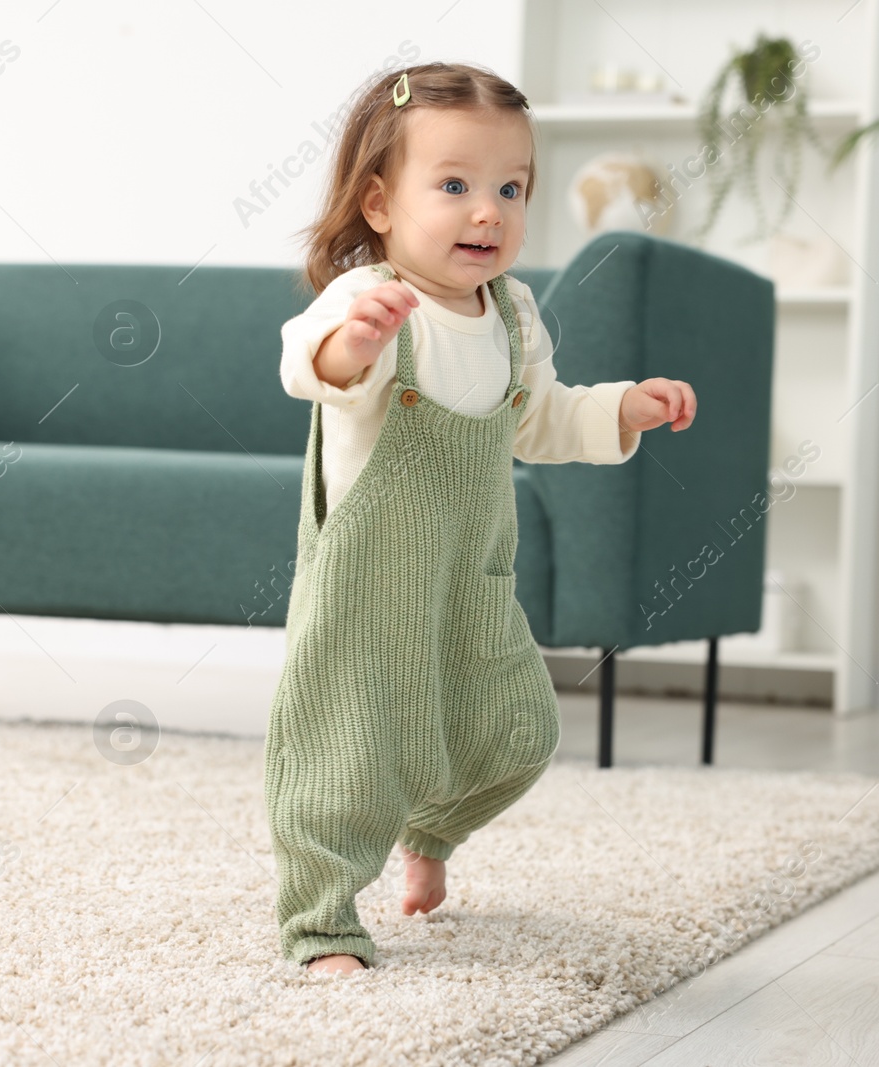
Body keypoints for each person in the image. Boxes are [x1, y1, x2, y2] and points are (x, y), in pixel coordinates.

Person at [265, 62, 698, 975]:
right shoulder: (370, 301)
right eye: (454, 186)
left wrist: (623, 407)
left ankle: (432, 833)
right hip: (366, 585)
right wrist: (358, 340)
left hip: (472, 575)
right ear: (380, 204)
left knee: (516, 726)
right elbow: (310, 368)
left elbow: (540, 417)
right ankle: (322, 921)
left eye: (511, 187)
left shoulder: (513, 311)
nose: (488, 211)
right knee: (343, 753)